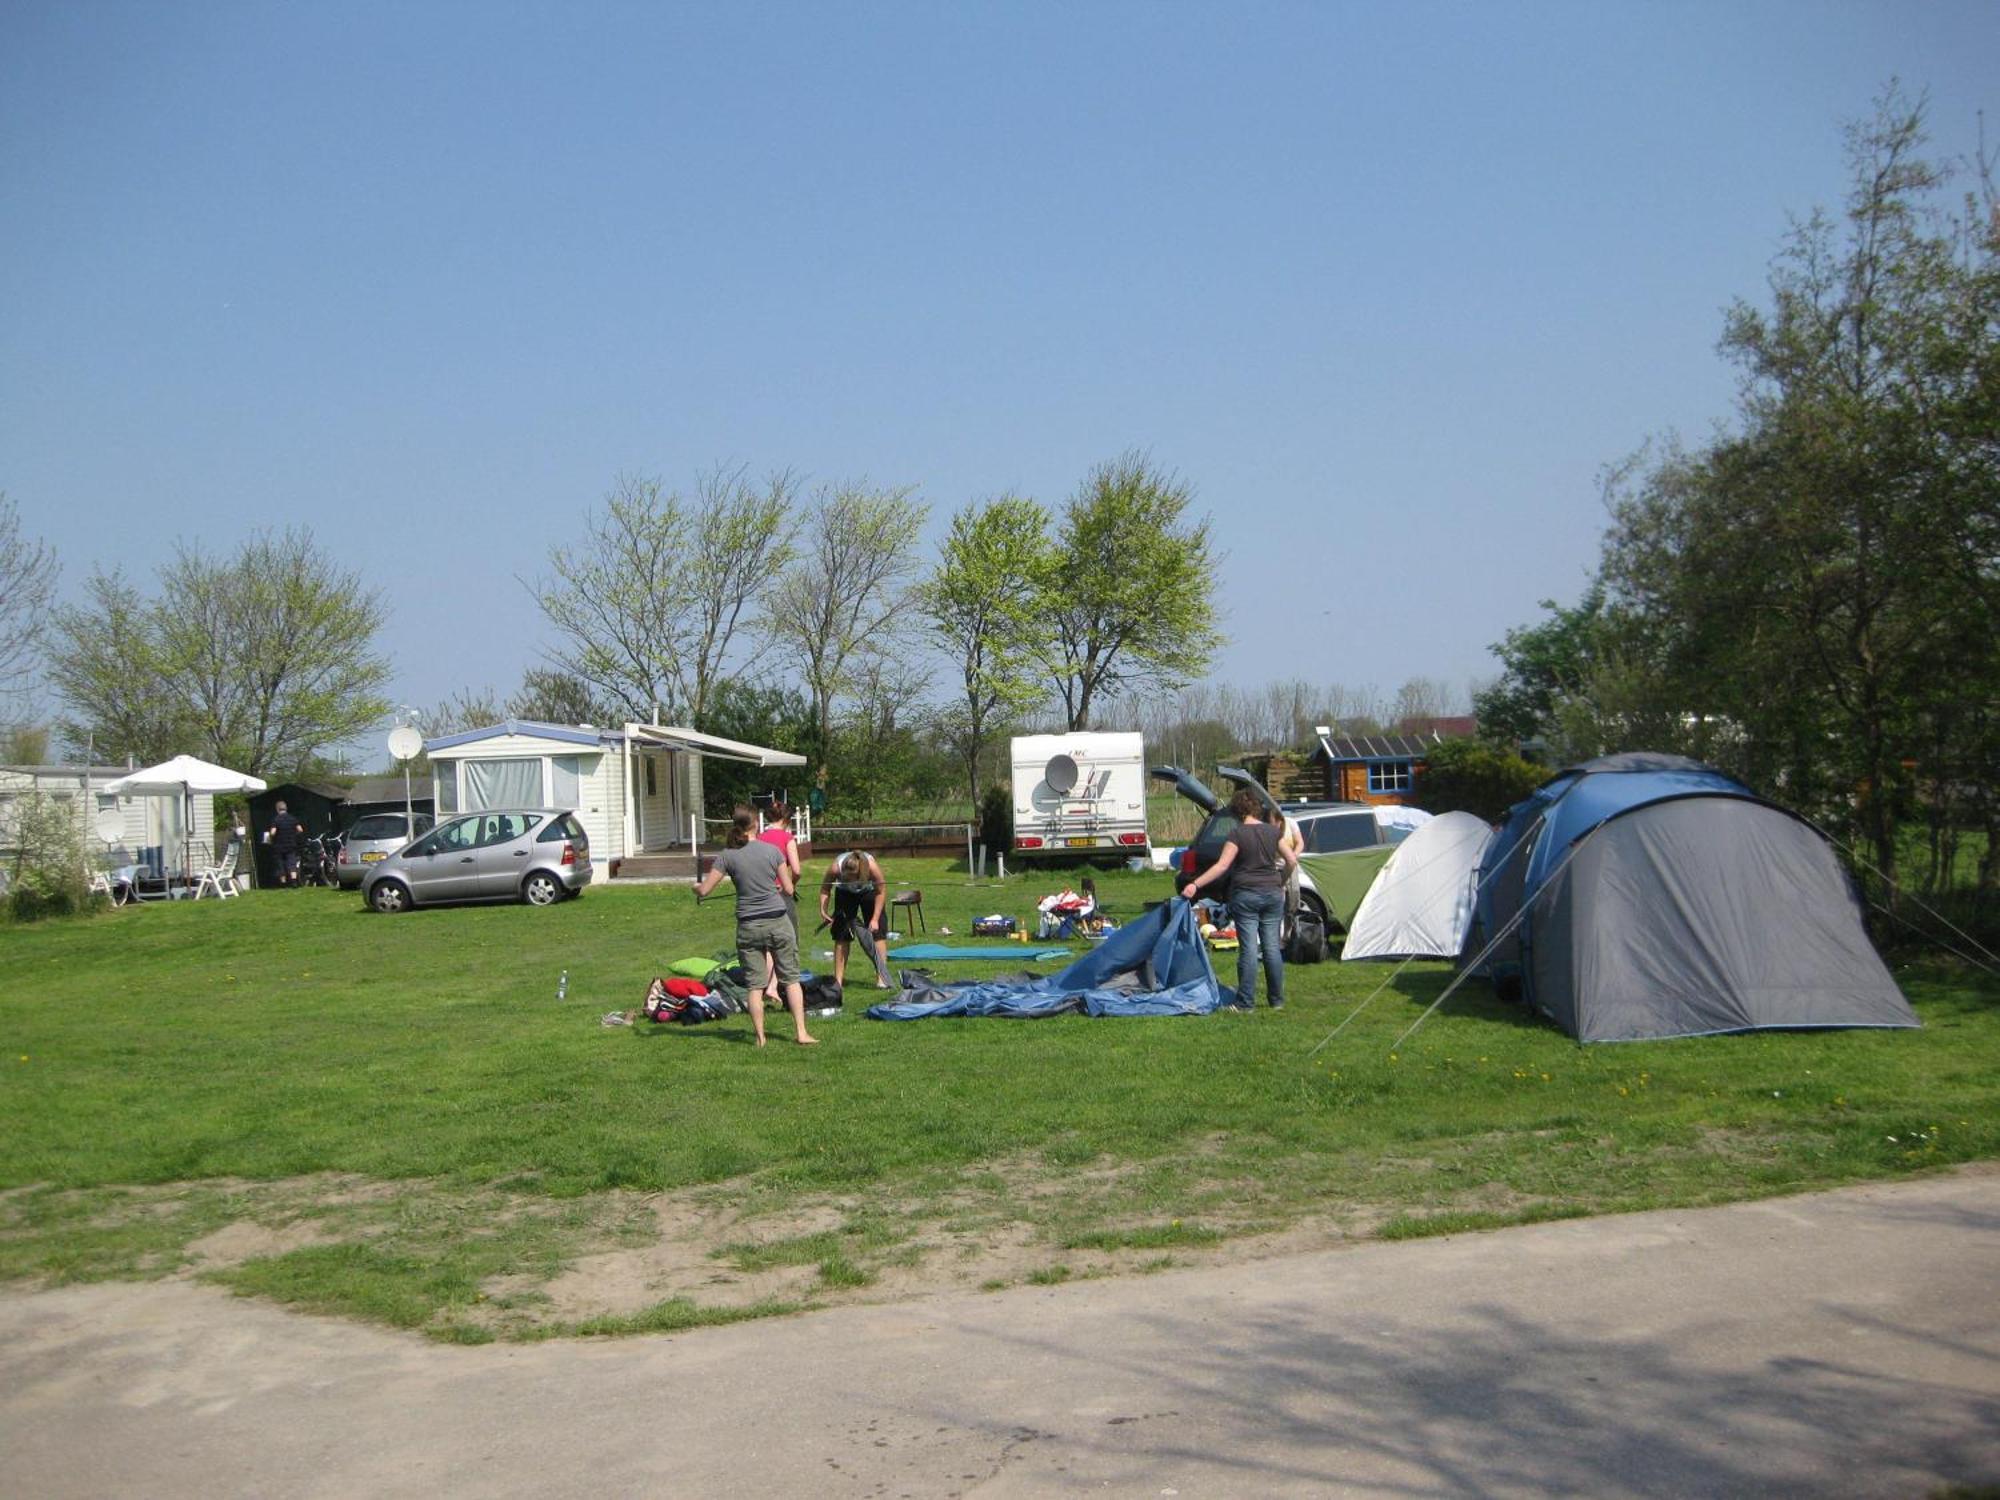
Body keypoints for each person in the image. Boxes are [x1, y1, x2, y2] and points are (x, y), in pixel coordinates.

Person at [693, 806, 817, 1047]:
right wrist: (782, 887)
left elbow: (705, 890)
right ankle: (801, 1032)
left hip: (748, 925)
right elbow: (790, 889)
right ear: (755, 825)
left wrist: (695, 889)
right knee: (790, 978)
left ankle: (760, 1038)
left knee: (755, 984)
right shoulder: (772, 851)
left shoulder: (727, 855)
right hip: (778, 921)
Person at [1181, 789, 1297, 1010]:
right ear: (1256, 809)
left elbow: (1222, 866)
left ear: (1237, 811)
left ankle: (1245, 1002)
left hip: (1246, 895)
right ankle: (1277, 1000)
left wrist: (1195, 884)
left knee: (1249, 949)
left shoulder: (1237, 834)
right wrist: (1280, 882)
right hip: (1272, 894)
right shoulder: (1273, 832)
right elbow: (1291, 860)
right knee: (1272, 947)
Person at [818, 849, 892, 989]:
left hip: (870, 893)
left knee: (878, 934)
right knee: (842, 935)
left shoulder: (872, 867)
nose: (848, 880)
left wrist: (875, 919)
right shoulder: (835, 868)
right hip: (845, 894)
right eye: (845, 878)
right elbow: (825, 889)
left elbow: (881, 892)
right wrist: (823, 911)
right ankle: (838, 981)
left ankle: (882, 978)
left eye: (851, 878)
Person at [755, 802, 803, 1006]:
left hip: (761, 894)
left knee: (766, 943)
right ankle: (775, 986)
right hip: (781, 894)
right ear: (786, 819)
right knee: (787, 940)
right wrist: (791, 884)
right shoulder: (787, 838)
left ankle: (765, 985)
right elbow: (798, 870)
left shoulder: (758, 838)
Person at [267, 800, 304, 888]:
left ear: (277, 809)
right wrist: (294, 835)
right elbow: (300, 830)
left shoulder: (276, 819)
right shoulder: (292, 818)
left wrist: (270, 837)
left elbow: (272, 832)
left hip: (279, 846)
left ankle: (283, 884)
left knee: (280, 864)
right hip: (291, 844)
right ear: (286, 808)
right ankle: (294, 882)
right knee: (291, 862)